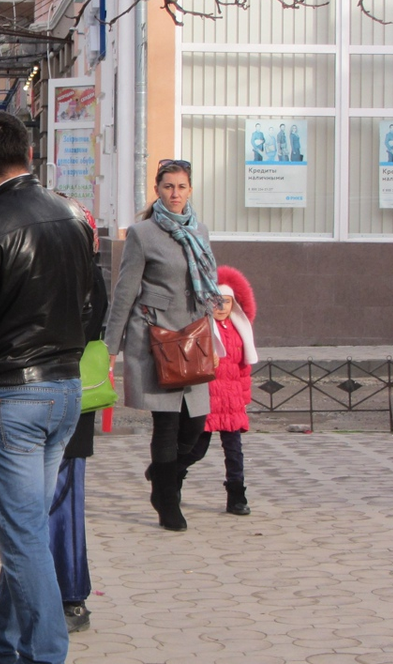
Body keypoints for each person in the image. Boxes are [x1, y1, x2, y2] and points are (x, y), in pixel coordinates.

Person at [0, 111, 94, 664]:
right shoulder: (72, 214)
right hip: (64, 389)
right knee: (26, 526)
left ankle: (46, 654)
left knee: (22, 535)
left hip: (9, 396)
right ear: (29, 154)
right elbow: (91, 304)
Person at [104, 158, 223, 533]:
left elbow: (208, 282)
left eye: (182, 187)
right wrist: (111, 344)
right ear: (157, 190)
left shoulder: (200, 230)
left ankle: (162, 475)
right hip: (156, 339)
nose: (175, 194)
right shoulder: (142, 234)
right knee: (168, 426)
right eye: (168, 186)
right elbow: (125, 290)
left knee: (197, 427)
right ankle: (168, 501)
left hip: (194, 338)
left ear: (190, 191)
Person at [49, 204, 106, 636]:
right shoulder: (44, 271)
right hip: (35, 401)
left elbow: (79, 331)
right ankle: (33, 595)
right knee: (31, 506)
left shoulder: (88, 277)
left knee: (63, 502)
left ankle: (71, 596)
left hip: (68, 398)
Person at [177, 265, 258, 516]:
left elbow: (243, 370)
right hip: (208, 403)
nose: (221, 306)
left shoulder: (239, 331)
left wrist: (244, 399)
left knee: (234, 452)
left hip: (232, 405)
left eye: (226, 301)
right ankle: (170, 477)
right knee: (195, 450)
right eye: (216, 301)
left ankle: (236, 496)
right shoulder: (203, 329)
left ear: (234, 304)